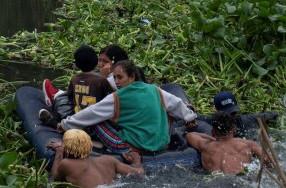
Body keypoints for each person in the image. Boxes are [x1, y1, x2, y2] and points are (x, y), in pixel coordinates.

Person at [58, 60, 198, 155]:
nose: (117, 82)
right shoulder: (156, 90)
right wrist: (190, 117)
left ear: (132, 77)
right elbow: (178, 103)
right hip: (162, 146)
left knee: (96, 121)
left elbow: (91, 113)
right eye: (115, 78)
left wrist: (65, 124)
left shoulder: (118, 97)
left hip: (133, 149)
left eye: (120, 77)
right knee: (167, 111)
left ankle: (99, 147)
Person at [39, 45, 113, 127]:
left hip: (77, 118)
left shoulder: (74, 79)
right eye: (100, 60)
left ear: (77, 64)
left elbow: (69, 96)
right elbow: (113, 100)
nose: (102, 64)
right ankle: (56, 97)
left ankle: (55, 98)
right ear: (96, 61)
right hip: (94, 123)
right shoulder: (102, 81)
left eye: (105, 61)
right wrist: (104, 78)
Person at [46, 130, 145, 188]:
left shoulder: (67, 164)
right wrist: (136, 162)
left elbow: (55, 176)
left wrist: (59, 151)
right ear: (89, 145)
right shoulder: (109, 160)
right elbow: (139, 173)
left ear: (66, 147)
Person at [186, 111, 268, 174]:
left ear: (213, 132)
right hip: (237, 182)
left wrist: (213, 139)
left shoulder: (206, 145)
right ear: (234, 130)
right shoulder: (248, 144)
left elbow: (190, 135)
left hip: (214, 182)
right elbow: (270, 160)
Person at [207, 90, 278, 140]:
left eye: (233, 113)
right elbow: (198, 117)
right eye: (228, 114)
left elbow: (272, 114)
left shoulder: (247, 119)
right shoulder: (214, 123)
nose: (232, 117)